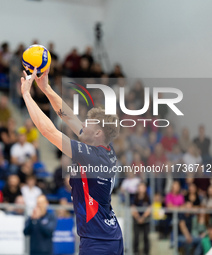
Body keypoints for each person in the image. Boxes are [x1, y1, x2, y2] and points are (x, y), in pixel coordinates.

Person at [20, 67, 123, 254]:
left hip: (97, 241)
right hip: (109, 236)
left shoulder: (92, 156)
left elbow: (48, 131)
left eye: (89, 123)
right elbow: (68, 117)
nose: (83, 123)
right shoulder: (105, 148)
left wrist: (27, 95)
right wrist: (46, 88)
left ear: (98, 133)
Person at [131, 182, 151, 255]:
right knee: (136, 237)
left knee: (146, 237)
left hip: (146, 221)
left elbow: (149, 208)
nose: (141, 189)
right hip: (136, 221)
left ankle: (146, 252)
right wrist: (138, 218)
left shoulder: (148, 198)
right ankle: (135, 252)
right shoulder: (134, 198)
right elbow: (133, 208)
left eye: (142, 187)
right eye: (140, 187)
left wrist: (143, 218)